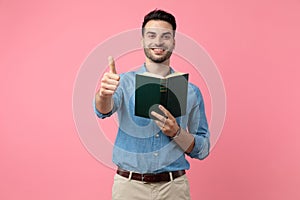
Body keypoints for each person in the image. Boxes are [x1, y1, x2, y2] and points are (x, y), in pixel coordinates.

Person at [94, 9, 210, 200]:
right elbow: (102, 110)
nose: (158, 42)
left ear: (173, 42)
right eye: (151, 35)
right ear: (142, 41)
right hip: (129, 188)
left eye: (166, 36)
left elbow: (202, 149)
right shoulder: (123, 83)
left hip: (174, 188)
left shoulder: (191, 91)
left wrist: (176, 132)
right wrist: (104, 93)